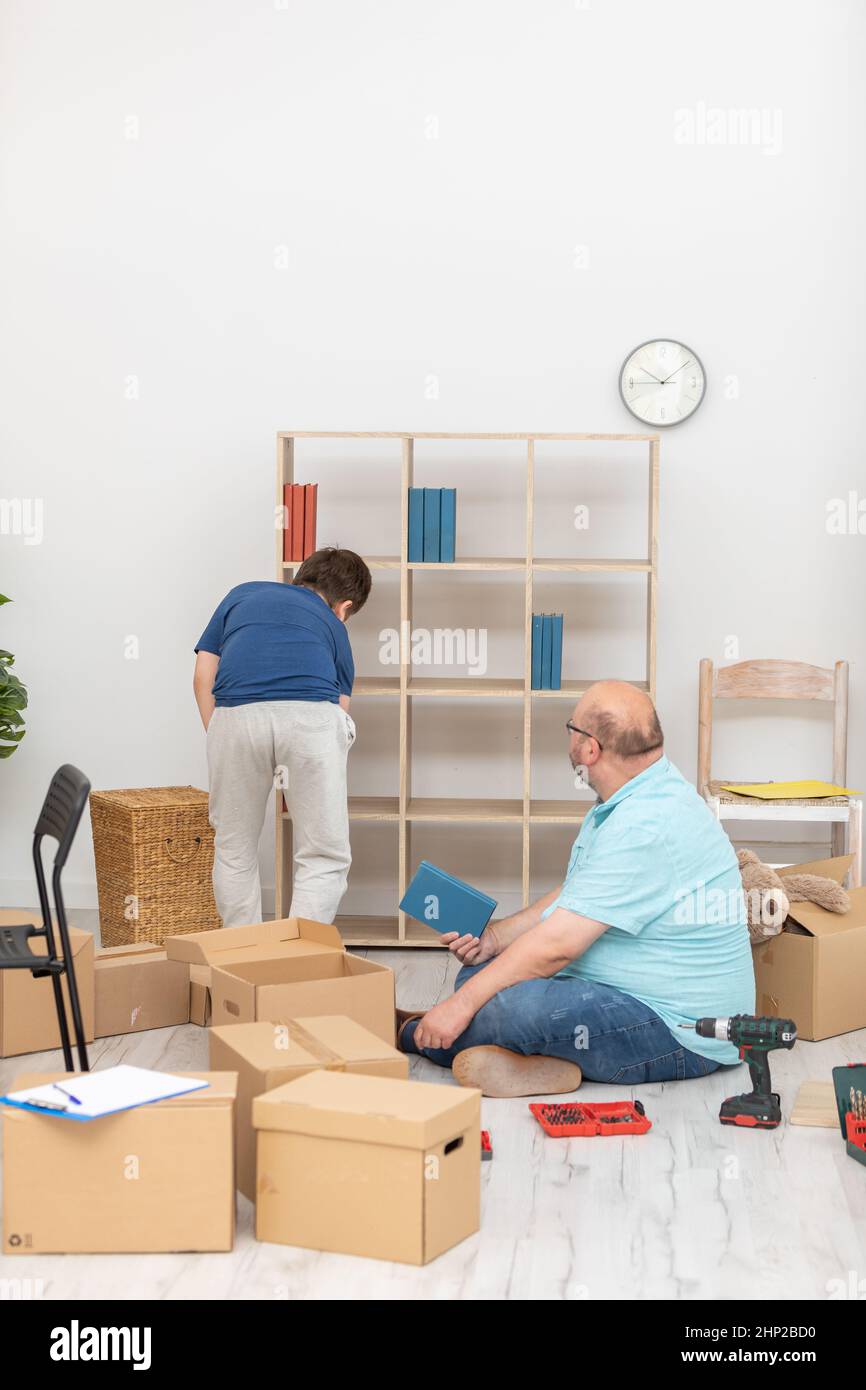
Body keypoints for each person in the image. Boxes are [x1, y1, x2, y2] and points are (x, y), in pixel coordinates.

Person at [397, 680, 756, 1097]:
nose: (567, 737)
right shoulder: (639, 793)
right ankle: (549, 1066)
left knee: (512, 1007)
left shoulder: (645, 825)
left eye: (571, 727)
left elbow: (557, 947)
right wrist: (496, 939)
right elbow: (577, 892)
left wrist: (460, 1007)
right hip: (628, 993)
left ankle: (411, 1033)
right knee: (482, 974)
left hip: (682, 1032)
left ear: (590, 749)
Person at [193, 548, 371, 927]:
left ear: (301, 578)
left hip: (235, 716)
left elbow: (202, 677)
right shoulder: (332, 624)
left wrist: (223, 739)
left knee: (234, 848)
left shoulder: (241, 594)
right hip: (311, 721)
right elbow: (339, 710)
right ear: (345, 607)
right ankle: (295, 960)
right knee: (323, 855)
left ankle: (241, 957)